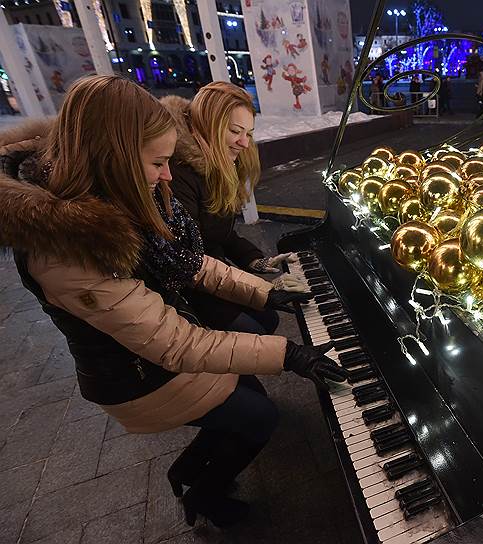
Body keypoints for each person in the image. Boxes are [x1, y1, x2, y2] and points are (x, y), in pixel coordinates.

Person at [0, 75, 347, 528]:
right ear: (115, 158)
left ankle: (185, 471)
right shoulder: (67, 250)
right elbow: (175, 344)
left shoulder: (123, 192)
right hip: (136, 377)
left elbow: (192, 262)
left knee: (248, 394)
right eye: (158, 162)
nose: (168, 174)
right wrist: (291, 354)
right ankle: (205, 498)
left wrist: (265, 290)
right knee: (259, 416)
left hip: (159, 348)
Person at [161, 83, 307, 335]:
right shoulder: (177, 172)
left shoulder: (220, 160)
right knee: (256, 327)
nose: (244, 143)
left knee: (267, 320)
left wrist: (256, 261)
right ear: (209, 126)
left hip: (212, 272)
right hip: (188, 285)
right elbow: (189, 261)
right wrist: (259, 288)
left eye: (248, 133)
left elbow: (220, 232)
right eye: (235, 131)